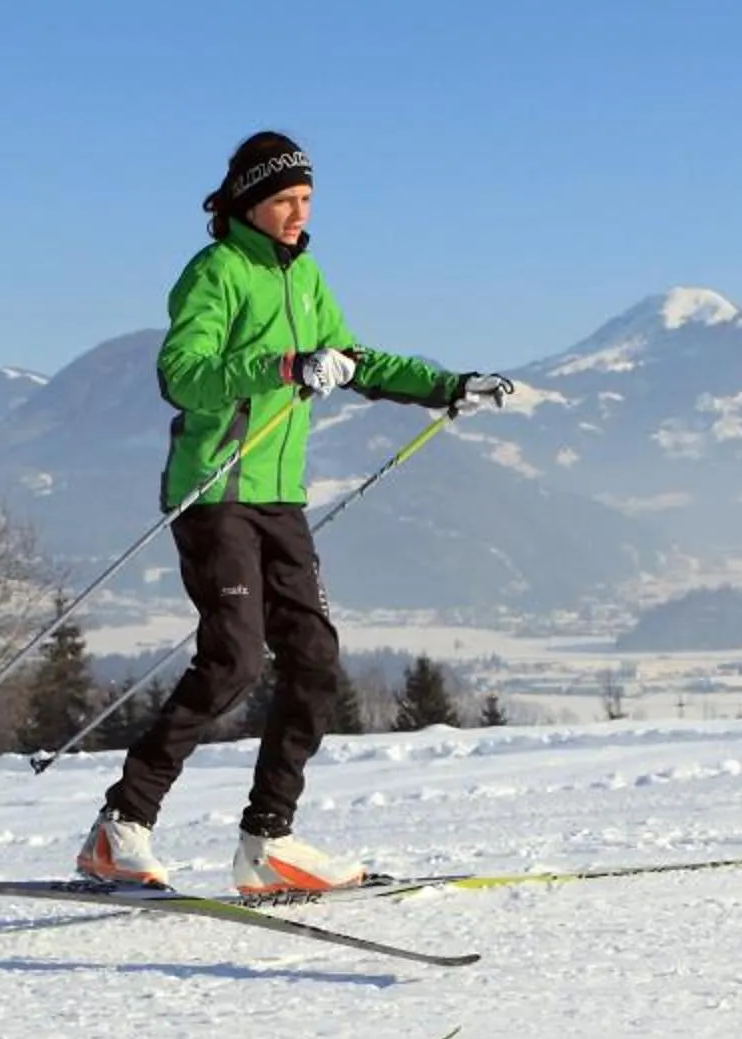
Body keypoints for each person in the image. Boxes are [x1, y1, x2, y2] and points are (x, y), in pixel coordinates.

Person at [77, 131, 511, 897]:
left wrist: (449, 386)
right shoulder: (215, 272)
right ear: (248, 200)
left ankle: (267, 842)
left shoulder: (305, 275)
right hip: (215, 493)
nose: (296, 213)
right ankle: (123, 825)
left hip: (279, 498)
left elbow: (357, 360)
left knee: (313, 659)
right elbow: (182, 375)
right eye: (283, 199)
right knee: (234, 659)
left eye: (306, 200)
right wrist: (284, 365)